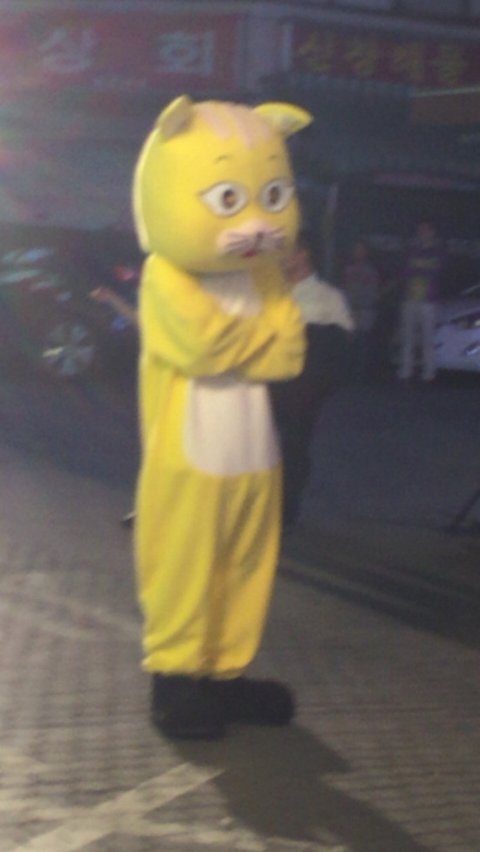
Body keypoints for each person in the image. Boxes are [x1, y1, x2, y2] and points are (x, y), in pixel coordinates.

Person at [270, 233, 354, 528]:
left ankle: (286, 507)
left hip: (301, 390)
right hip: (264, 383)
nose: (280, 258)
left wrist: (317, 388)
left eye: (287, 252)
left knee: (293, 448)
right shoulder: (268, 292)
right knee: (257, 447)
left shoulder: (328, 298)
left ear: (303, 254)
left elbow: (341, 350)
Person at [397, 220, 445, 382]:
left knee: (428, 337)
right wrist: (420, 269)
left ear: (432, 232)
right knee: (408, 336)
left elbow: (438, 270)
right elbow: (404, 270)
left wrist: (418, 269)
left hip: (428, 300)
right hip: (410, 297)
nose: (422, 232)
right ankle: (406, 369)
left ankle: (429, 371)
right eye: (420, 229)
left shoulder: (438, 250)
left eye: (426, 229)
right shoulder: (410, 249)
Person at [342, 240, 380, 380]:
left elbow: (374, 290)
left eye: (361, 250)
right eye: (356, 250)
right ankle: (349, 373)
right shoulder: (348, 269)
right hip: (351, 310)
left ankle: (362, 374)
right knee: (350, 342)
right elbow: (345, 289)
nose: (358, 253)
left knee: (364, 342)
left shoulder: (371, 270)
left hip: (365, 310)